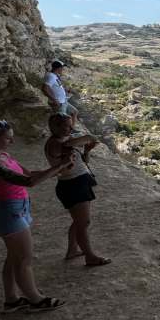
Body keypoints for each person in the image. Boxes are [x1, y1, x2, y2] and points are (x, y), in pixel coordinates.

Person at [0, 119, 71, 312]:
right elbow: (27, 182)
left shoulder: (2, 156)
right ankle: (35, 300)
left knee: (14, 258)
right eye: (8, 138)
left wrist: (57, 169)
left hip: (16, 210)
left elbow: (30, 174)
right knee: (24, 259)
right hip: (9, 213)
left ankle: (11, 299)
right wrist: (58, 167)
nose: (12, 142)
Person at [44, 114, 110, 267]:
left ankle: (72, 250)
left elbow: (83, 161)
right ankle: (90, 256)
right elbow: (70, 144)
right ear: (54, 127)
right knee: (83, 222)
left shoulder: (65, 141)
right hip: (72, 185)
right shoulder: (55, 143)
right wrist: (89, 136)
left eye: (71, 125)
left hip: (79, 181)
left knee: (79, 221)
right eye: (67, 126)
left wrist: (87, 150)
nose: (71, 129)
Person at [41, 60, 79, 126]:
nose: (62, 69)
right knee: (62, 121)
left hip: (63, 101)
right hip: (59, 103)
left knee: (75, 112)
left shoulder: (55, 76)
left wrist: (69, 91)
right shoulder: (51, 76)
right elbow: (44, 88)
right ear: (58, 68)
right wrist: (54, 100)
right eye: (62, 68)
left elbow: (58, 87)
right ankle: (64, 133)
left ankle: (71, 129)